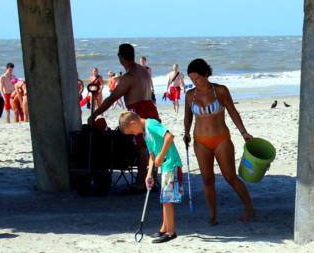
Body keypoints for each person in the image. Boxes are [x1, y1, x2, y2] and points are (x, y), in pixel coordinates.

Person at [183, 58, 256, 225]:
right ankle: (213, 215)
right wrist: (186, 132)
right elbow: (187, 117)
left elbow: (233, 112)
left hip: (221, 139)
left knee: (230, 176)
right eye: (192, 79)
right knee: (207, 180)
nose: (194, 82)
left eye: (197, 78)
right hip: (200, 141)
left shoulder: (220, 91)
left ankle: (249, 208)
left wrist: (244, 133)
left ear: (206, 74)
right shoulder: (189, 95)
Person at [88, 43, 160, 193]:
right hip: (151, 108)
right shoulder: (143, 71)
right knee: (151, 146)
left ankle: (141, 183)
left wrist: (95, 114)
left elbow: (112, 98)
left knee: (142, 148)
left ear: (121, 58)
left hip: (138, 111)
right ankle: (152, 180)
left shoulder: (128, 77)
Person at [118, 111, 182, 243]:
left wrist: (161, 155)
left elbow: (169, 136)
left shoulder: (151, 124)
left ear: (133, 123)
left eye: (131, 132)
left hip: (171, 163)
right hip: (165, 166)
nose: (134, 135)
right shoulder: (145, 133)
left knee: (167, 200)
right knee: (164, 199)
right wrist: (148, 175)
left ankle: (171, 232)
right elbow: (152, 155)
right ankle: (164, 229)